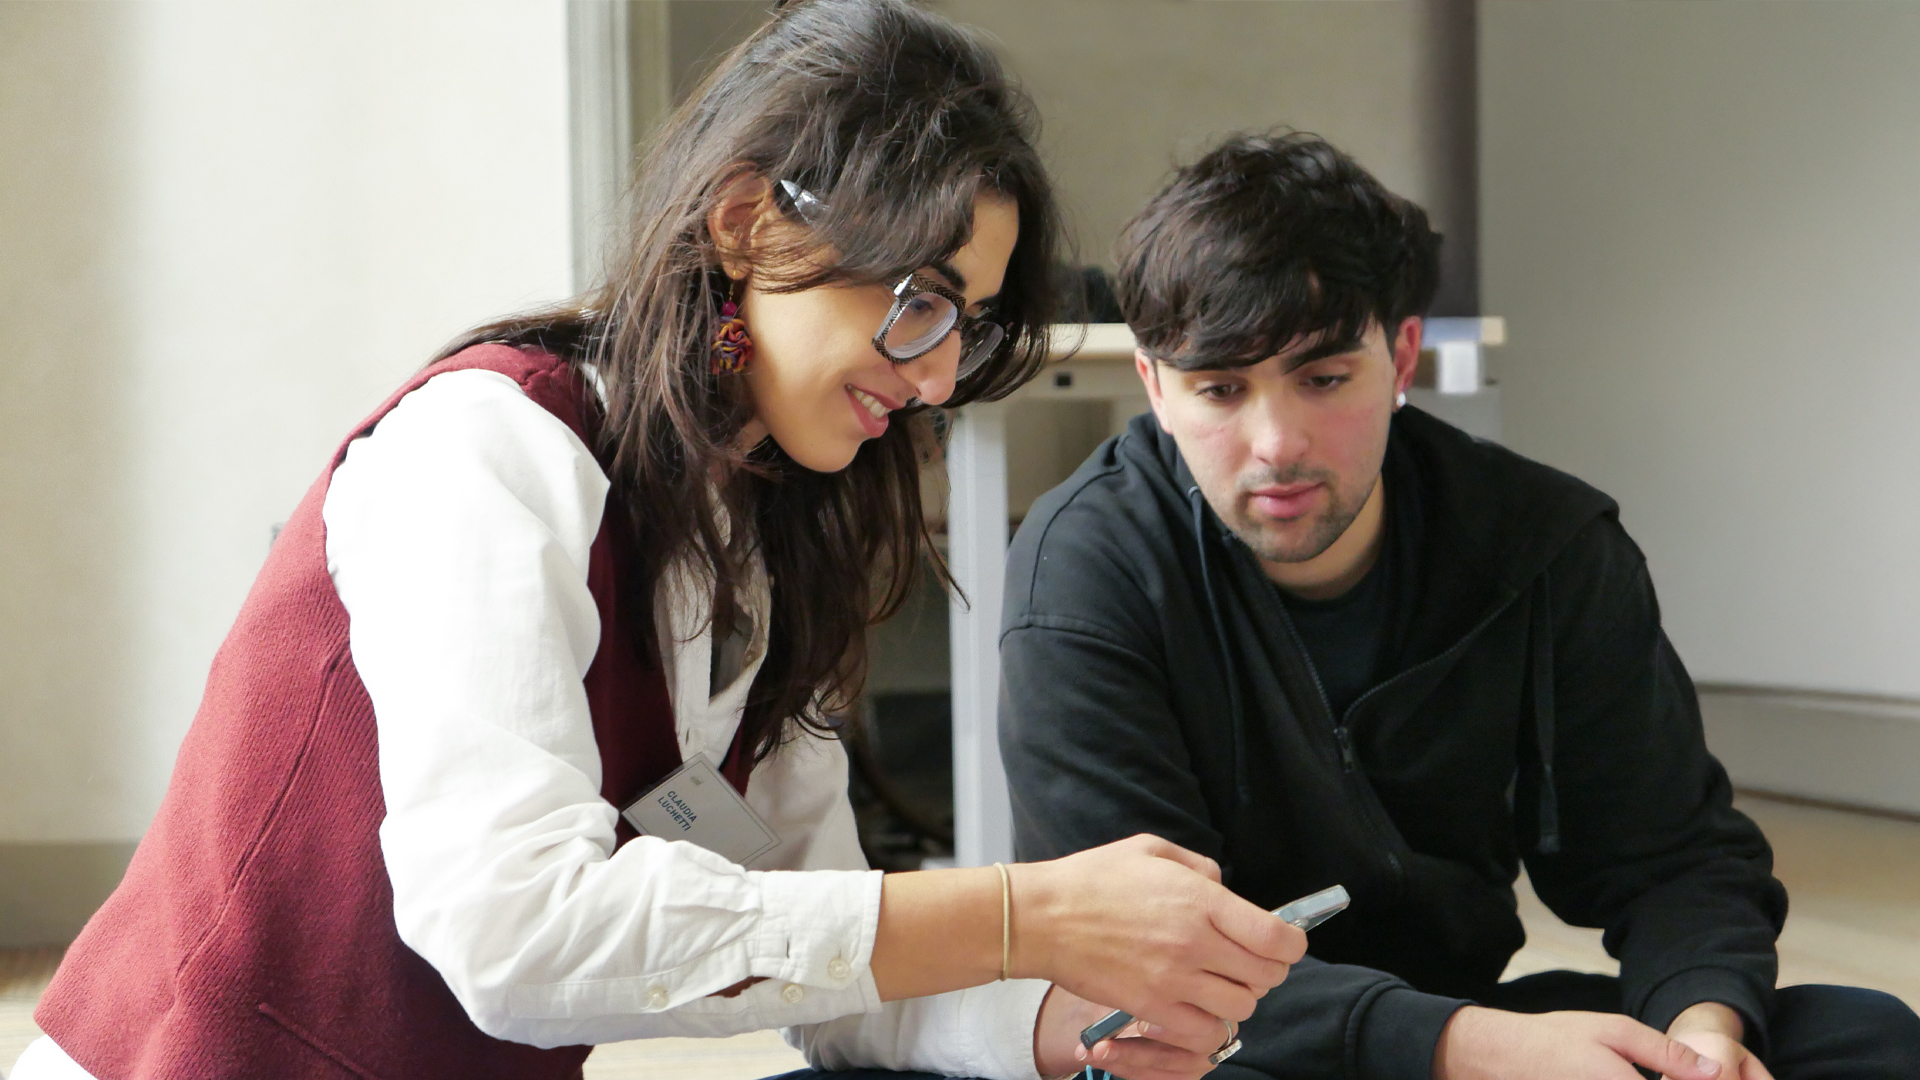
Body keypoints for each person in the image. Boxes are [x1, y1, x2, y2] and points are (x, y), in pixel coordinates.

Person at [15, 7, 1309, 1080]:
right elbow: (512, 937)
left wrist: (1059, 1024)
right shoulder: (487, 451)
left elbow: (836, 967)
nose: (935, 376)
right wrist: (1024, 910)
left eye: (962, 326)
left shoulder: (770, 532)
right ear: (748, 221)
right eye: (919, 301)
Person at [998, 131, 1920, 1080]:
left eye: (1323, 379)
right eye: (1220, 390)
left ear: (1401, 356)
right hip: (1240, 1047)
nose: (1274, 444)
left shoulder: (1545, 542)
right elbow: (1137, 968)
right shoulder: (1084, 575)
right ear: (1153, 385)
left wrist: (1706, 1043)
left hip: (1464, 1022)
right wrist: (1476, 1049)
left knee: (1868, 1038)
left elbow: (1676, 859)